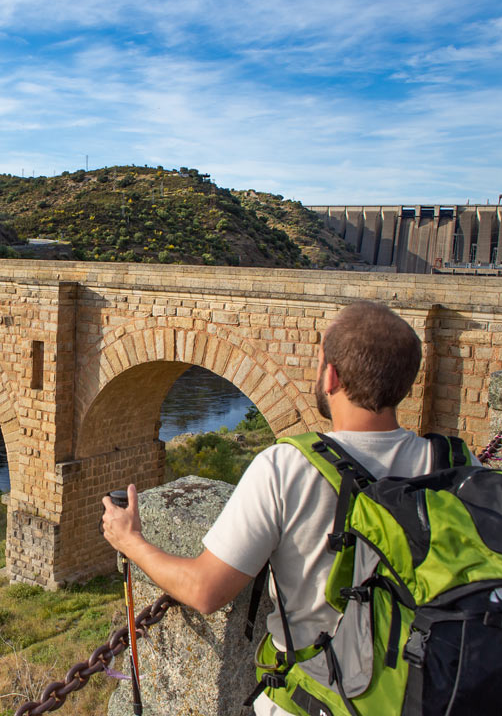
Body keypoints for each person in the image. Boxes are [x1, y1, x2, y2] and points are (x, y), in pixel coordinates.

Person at [102, 300, 440, 716]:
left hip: (320, 698)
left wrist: (129, 541)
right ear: (406, 384)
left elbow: (204, 591)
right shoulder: (454, 466)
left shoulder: (288, 467)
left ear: (330, 375)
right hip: (431, 689)